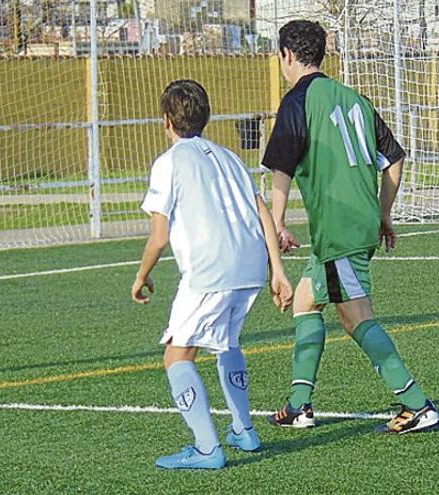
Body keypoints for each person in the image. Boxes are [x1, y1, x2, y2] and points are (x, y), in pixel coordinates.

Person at [262, 20, 439, 434]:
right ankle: (299, 404)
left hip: (338, 230)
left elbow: (282, 171)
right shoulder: (354, 98)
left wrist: (278, 223)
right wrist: (383, 213)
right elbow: (394, 158)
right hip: (353, 226)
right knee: (306, 302)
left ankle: (416, 403)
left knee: (356, 318)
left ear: (287, 55)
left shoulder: (297, 101)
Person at [131, 79, 293, 469]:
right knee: (227, 342)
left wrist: (141, 275)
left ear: (166, 120)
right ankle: (244, 431)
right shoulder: (228, 157)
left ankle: (207, 448)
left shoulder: (169, 162)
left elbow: (159, 236)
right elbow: (263, 214)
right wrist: (277, 270)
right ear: (207, 117)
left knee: (177, 355)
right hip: (250, 266)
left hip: (210, 272)